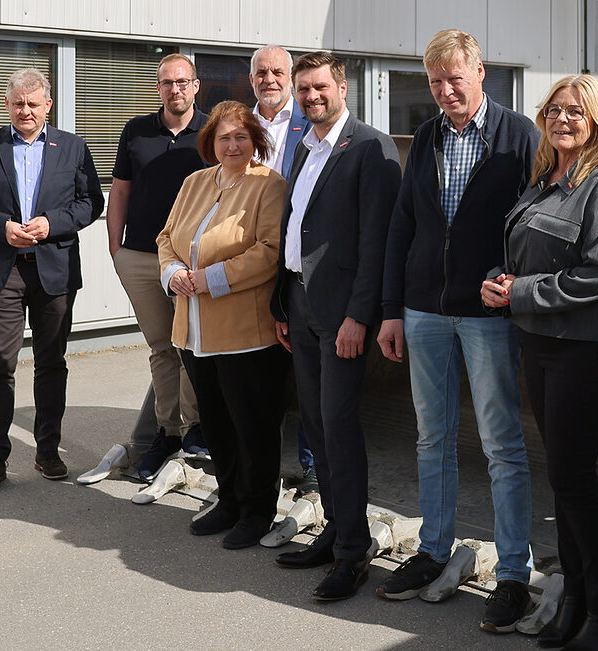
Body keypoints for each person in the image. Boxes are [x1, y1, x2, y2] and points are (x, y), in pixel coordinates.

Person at [374, 29, 539, 631]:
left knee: (501, 446)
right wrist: (392, 308)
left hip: (487, 315)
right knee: (431, 437)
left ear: (480, 74)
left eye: (455, 79)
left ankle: (514, 576)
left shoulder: (518, 134)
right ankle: (433, 550)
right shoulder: (424, 138)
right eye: (436, 82)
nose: (446, 92)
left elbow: (535, 222)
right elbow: (404, 226)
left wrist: (511, 280)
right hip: (423, 311)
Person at [481, 73, 598, 651]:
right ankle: (573, 603)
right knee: (563, 479)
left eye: (576, 110)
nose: (563, 119)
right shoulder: (544, 181)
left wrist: (521, 291)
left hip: (586, 347)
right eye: (554, 109)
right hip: (541, 341)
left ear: (596, 119)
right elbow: (525, 254)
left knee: (574, 478)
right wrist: (501, 283)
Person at [270, 51, 401, 602]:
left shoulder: (370, 147)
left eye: (319, 87)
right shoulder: (305, 146)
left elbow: (378, 241)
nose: (310, 96)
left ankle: (354, 553)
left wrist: (358, 315)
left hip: (342, 315)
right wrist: (283, 304)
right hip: (300, 307)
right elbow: (295, 229)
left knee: (339, 429)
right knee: (318, 430)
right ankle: (336, 532)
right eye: (303, 89)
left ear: (343, 88)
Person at [0, 67, 103, 494]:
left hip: (54, 269)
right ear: (7, 104)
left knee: (51, 362)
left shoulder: (72, 148)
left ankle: (48, 450)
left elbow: (91, 202)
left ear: (48, 106)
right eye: (18, 103)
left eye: (34, 104)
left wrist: (51, 223)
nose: (26, 111)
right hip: (4, 270)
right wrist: (1, 226)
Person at [157, 99, 290, 550]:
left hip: (244, 333)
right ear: (209, 142)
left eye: (240, 136)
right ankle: (231, 499)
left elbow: (270, 250)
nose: (232, 145)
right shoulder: (195, 181)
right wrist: (172, 273)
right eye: (223, 137)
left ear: (256, 141)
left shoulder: (268, 185)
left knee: (252, 426)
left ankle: (258, 511)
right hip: (193, 330)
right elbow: (166, 238)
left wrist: (209, 279)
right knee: (215, 423)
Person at [88, 53, 208, 484]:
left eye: (182, 82)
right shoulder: (136, 130)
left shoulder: (212, 131)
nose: (174, 89)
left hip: (190, 260)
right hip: (139, 257)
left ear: (196, 86)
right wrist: (115, 248)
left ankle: (196, 431)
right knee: (161, 347)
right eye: (166, 83)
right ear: (158, 88)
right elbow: (119, 191)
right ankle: (167, 431)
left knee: (191, 344)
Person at [249, 43, 319, 495]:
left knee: (307, 376)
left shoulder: (311, 122)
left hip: (296, 265)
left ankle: (313, 467)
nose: (269, 79)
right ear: (250, 77)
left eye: (277, 71)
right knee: (257, 373)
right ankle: (260, 469)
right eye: (261, 72)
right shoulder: (238, 124)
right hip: (249, 263)